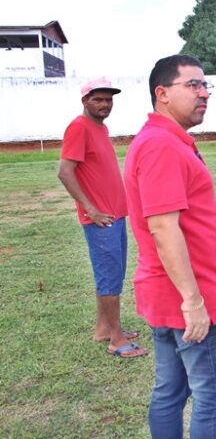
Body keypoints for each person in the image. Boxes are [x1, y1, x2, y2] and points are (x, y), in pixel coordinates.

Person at [124, 54, 216, 439]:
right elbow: (162, 226)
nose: (204, 93)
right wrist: (193, 300)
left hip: (170, 294)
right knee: (215, 395)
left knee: (171, 392)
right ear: (163, 94)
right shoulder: (161, 146)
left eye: (206, 86)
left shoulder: (166, 141)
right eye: (193, 85)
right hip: (188, 299)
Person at [58, 78, 147, 358]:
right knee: (109, 277)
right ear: (85, 101)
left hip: (115, 215)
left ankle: (103, 329)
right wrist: (90, 209)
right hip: (100, 220)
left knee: (112, 275)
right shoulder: (78, 127)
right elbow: (65, 172)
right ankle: (117, 340)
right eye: (98, 99)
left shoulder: (100, 127)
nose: (104, 104)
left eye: (108, 100)